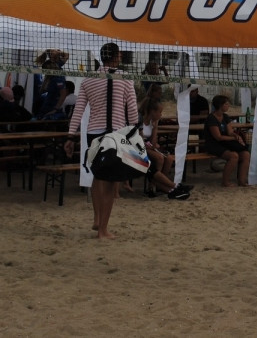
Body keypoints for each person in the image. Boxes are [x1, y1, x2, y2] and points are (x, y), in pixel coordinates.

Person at [64, 42, 147, 239]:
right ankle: (103, 230)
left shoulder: (89, 80)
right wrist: (137, 132)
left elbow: (78, 110)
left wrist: (70, 135)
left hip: (94, 133)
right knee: (110, 182)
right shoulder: (125, 78)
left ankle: (96, 219)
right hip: (116, 135)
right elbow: (132, 111)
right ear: (116, 56)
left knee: (97, 176)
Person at [140, 99, 191, 198]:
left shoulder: (152, 123)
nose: (161, 115)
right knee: (159, 158)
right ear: (152, 111)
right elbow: (140, 141)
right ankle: (153, 186)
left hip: (149, 147)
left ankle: (159, 185)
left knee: (169, 158)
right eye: (159, 112)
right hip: (140, 148)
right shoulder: (140, 122)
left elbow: (154, 144)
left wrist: (155, 128)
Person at [204, 94, 252, 185]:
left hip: (225, 143)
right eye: (226, 104)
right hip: (213, 144)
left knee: (246, 154)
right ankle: (225, 181)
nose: (228, 105)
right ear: (220, 105)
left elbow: (230, 132)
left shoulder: (225, 116)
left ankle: (242, 180)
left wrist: (236, 135)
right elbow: (218, 137)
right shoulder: (211, 118)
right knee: (233, 156)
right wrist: (232, 138)